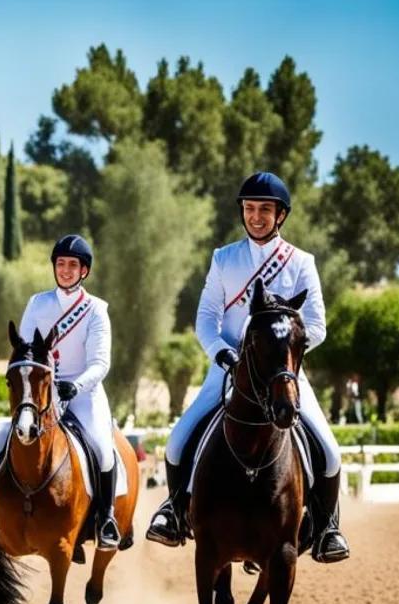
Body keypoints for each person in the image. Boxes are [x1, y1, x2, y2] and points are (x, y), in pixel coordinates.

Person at [145, 172, 350, 564]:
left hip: (283, 375)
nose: (256, 216)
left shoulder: (301, 263)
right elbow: (206, 317)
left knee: (330, 451)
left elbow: (318, 326)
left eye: (265, 210)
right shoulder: (225, 258)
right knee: (177, 442)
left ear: (280, 215)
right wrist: (222, 352)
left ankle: (326, 528)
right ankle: (173, 512)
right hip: (229, 371)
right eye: (250, 208)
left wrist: (284, 356)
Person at [17, 234, 121, 550]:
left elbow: (100, 362)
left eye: (72, 265)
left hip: (83, 390)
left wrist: (75, 385)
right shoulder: (38, 303)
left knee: (103, 450)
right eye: (60, 264)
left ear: (83, 271)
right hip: (42, 391)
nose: (65, 270)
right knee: (3, 440)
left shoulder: (95, 310)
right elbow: (24, 351)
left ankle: (106, 518)